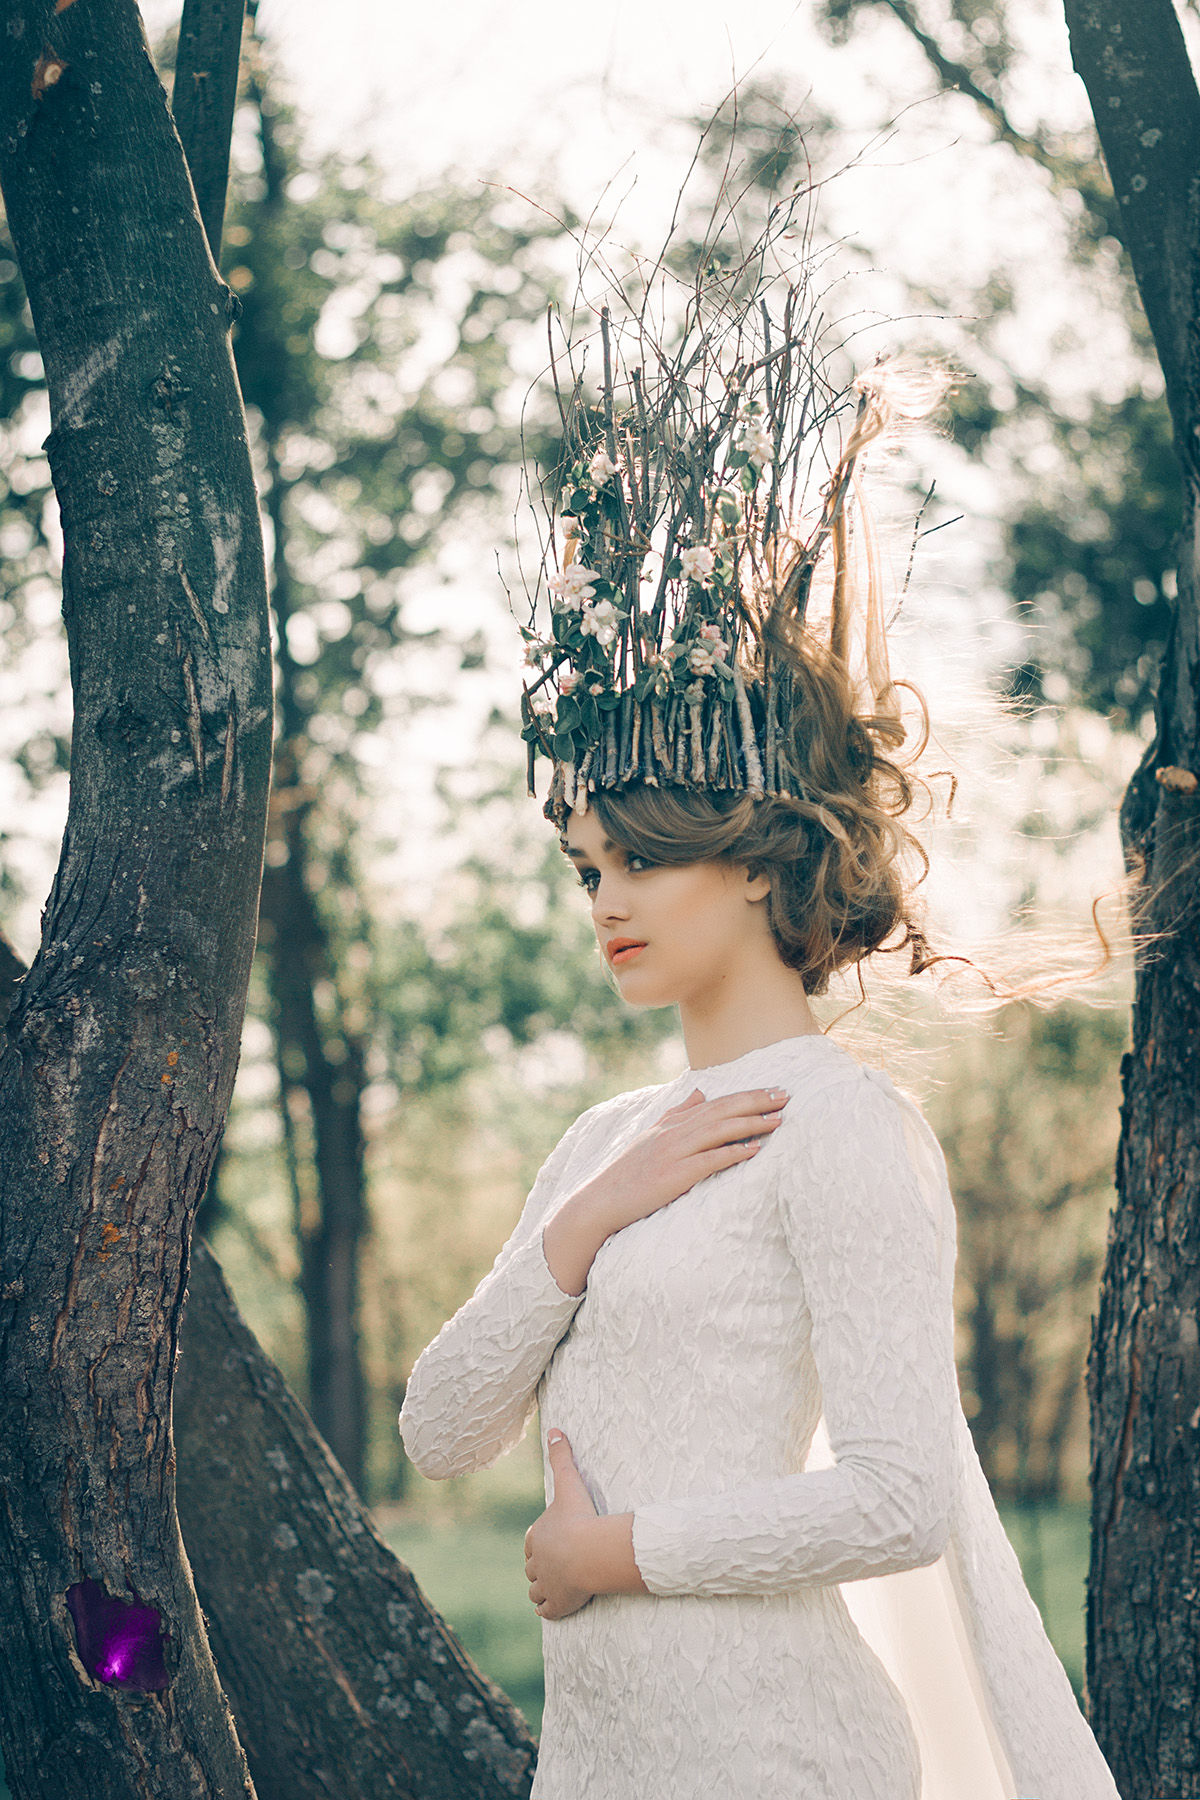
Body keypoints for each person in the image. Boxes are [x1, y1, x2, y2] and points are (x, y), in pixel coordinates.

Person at [399, 246, 1121, 1797]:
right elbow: (440, 1431)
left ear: (754, 856)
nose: (606, 900)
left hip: (785, 1759)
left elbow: (896, 1500)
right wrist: (586, 1222)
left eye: (644, 860)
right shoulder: (602, 1145)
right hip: (599, 1766)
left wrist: (612, 1553)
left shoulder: (845, 1128)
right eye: (590, 868)